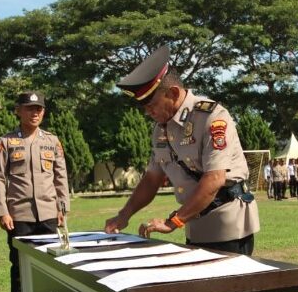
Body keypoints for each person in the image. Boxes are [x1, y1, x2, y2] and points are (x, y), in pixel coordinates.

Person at [104, 45, 260, 255]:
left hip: (228, 226)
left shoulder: (212, 117)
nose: (148, 112)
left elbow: (214, 179)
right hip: (195, 226)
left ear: (173, 93)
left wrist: (173, 221)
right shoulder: (161, 129)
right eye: (145, 108)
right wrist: (124, 214)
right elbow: (152, 178)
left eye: (152, 105)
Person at [0, 91, 69, 292]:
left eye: (39, 109)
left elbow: (60, 176)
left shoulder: (52, 141)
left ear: (43, 113)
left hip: (48, 213)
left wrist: (62, 208)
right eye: (29, 108)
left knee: (51, 261)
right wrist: (2, 211)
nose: (34, 113)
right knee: (19, 263)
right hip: (19, 215)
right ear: (18, 111)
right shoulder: (6, 142)